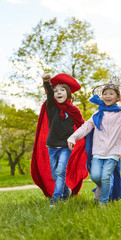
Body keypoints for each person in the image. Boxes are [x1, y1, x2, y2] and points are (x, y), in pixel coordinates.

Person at [67, 77, 121, 205]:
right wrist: (73, 137)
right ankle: (100, 188)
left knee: (106, 176)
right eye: (105, 94)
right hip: (98, 152)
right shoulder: (97, 115)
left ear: (118, 98)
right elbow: (85, 128)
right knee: (95, 176)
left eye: (111, 93)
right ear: (102, 97)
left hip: (114, 152)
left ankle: (103, 203)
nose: (107, 96)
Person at [31, 73, 88, 206]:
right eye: (56, 91)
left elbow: (83, 126)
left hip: (66, 146)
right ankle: (66, 191)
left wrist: (88, 138)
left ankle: (57, 199)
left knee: (61, 171)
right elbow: (49, 93)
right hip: (52, 145)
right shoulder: (51, 106)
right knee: (55, 174)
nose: (58, 92)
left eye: (62, 90)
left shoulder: (74, 110)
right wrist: (46, 82)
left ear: (68, 93)